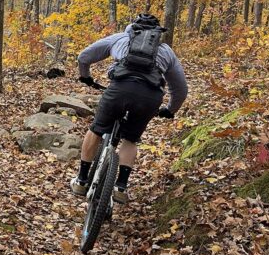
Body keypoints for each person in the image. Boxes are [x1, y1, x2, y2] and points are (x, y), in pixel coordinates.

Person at [70, 13, 188, 204]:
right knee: (131, 139)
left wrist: (85, 76)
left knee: (96, 130)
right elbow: (181, 89)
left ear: (132, 27)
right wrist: (170, 109)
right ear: (158, 33)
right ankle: (121, 187)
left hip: (119, 90)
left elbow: (84, 56)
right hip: (150, 97)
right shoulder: (166, 51)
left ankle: (82, 180)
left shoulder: (120, 38)